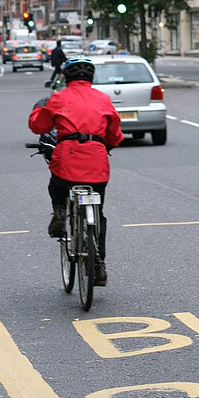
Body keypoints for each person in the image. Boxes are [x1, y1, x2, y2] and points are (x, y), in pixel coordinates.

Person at [28, 56, 123, 285]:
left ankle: (59, 212)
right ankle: (98, 264)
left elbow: (38, 126)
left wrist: (40, 107)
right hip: (97, 162)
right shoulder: (103, 99)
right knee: (98, 211)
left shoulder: (58, 98)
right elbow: (115, 135)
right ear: (91, 77)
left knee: (56, 184)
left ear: (66, 77)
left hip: (67, 158)